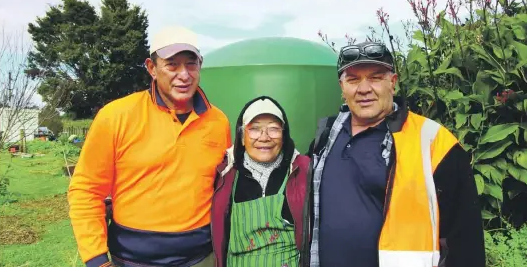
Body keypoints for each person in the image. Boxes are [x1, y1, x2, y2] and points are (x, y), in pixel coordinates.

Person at [305, 41, 486, 267]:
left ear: (393, 82)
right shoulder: (325, 138)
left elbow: (465, 238)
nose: (363, 89)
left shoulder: (432, 141)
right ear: (342, 88)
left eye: (375, 78)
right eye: (353, 80)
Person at [68, 26, 231, 267]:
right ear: (152, 68)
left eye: (191, 64)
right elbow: (86, 190)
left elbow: (224, 188)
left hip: (201, 258)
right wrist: (96, 260)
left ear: (200, 65)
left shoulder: (218, 122)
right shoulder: (116, 116)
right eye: (172, 64)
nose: (184, 75)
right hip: (131, 260)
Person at [211, 96, 311, 267]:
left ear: (284, 135)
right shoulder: (226, 176)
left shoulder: (303, 171)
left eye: (273, 129)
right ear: (242, 137)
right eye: (255, 129)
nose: (264, 137)